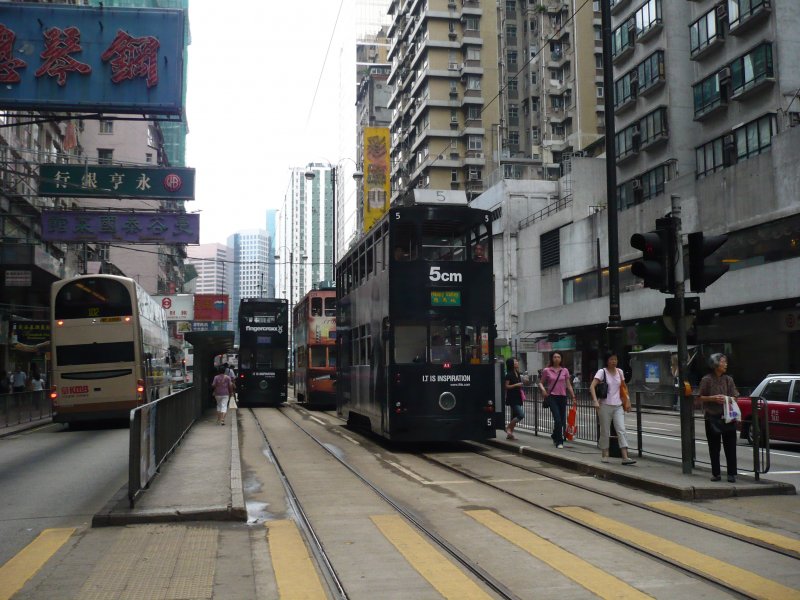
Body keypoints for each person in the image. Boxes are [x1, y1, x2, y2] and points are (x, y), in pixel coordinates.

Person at [697, 353, 739, 483]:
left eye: (726, 362)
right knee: (714, 447)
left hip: (727, 417)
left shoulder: (728, 379)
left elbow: (735, 396)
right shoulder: (706, 379)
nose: (725, 364)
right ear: (715, 364)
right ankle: (716, 473)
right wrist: (713, 398)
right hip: (712, 417)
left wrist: (727, 399)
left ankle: (731, 474)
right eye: (722, 361)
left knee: (731, 446)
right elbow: (699, 397)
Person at [590, 352, 636, 465]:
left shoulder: (620, 372)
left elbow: (624, 387)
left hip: (618, 405)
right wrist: (595, 400)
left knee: (621, 429)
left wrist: (627, 400)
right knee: (605, 430)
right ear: (607, 361)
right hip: (604, 405)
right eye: (611, 359)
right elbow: (592, 386)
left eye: (615, 359)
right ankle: (605, 454)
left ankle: (625, 456)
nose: (614, 361)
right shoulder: (602, 372)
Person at [538, 352, 577, 448]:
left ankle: (554, 435)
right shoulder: (547, 370)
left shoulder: (565, 370)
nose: (556, 358)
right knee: (557, 419)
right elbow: (540, 383)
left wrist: (573, 397)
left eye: (558, 357)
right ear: (552, 359)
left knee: (562, 420)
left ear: (561, 359)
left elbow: (568, 385)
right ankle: (559, 441)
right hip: (552, 397)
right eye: (554, 357)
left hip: (562, 397)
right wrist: (543, 390)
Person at [504, 357, 525, 440]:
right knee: (521, 415)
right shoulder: (509, 374)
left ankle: (510, 434)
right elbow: (506, 386)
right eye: (515, 362)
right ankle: (508, 427)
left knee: (514, 416)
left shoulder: (517, 373)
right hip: (512, 397)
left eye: (517, 361)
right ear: (511, 364)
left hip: (518, 396)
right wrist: (516, 385)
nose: (517, 363)